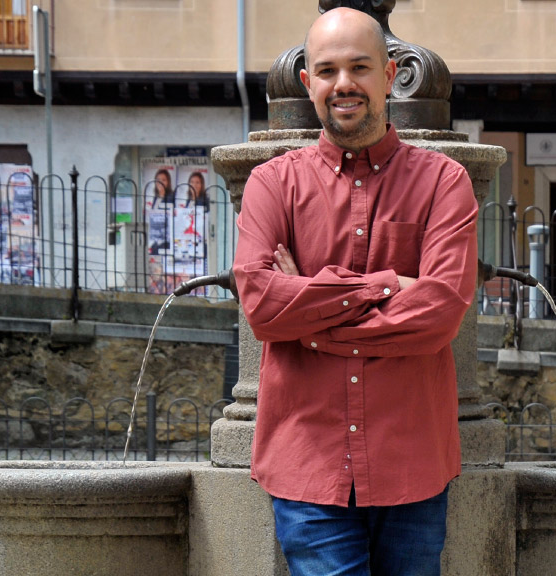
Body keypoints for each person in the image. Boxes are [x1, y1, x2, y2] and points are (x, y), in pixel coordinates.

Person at [232, 7, 478, 575]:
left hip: (411, 463)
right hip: (308, 466)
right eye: (327, 70)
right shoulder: (272, 185)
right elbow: (264, 309)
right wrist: (390, 284)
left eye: (360, 67)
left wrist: (310, 308)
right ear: (308, 83)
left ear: (389, 76)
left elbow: (439, 314)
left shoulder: (444, 183)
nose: (344, 84)